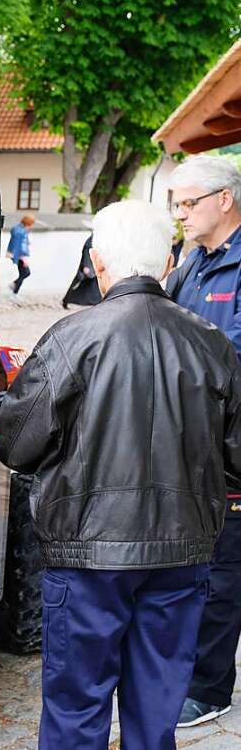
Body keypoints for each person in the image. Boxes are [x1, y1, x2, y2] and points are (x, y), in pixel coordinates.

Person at [0, 199, 241, 750]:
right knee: (157, 710)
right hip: (181, 554)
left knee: (76, 709)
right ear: (168, 259)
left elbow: (16, 443)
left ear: (99, 263)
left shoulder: (69, 339)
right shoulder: (212, 343)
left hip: (88, 556)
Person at [165, 155, 241, 728]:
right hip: (190, 440)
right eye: (175, 204)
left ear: (225, 200)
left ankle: (210, 688)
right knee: (198, 561)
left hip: (232, 447)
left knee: (222, 569)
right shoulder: (192, 262)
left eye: (188, 203)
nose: (180, 214)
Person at [61, 234, 101, 308]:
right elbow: (87, 251)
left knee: (94, 286)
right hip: (87, 267)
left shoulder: (98, 238)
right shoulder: (91, 241)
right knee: (77, 284)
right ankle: (66, 300)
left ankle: (96, 302)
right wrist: (86, 266)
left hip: (93, 266)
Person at [7, 214, 35, 297]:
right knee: (26, 273)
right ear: (28, 223)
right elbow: (19, 246)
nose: (31, 226)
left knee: (24, 273)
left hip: (17, 255)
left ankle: (14, 288)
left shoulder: (19, 229)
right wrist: (23, 258)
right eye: (31, 224)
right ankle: (14, 289)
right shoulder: (20, 231)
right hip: (20, 256)